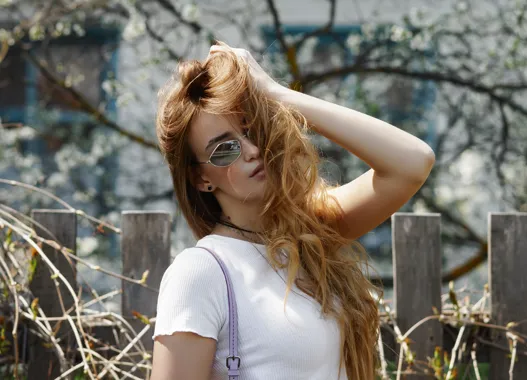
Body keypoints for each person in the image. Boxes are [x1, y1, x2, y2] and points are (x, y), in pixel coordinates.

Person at [150, 41, 435, 380]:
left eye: (253, 129)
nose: (252, 150)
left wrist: (276, 93)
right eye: (225, 149)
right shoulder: (200, 273)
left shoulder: (310, 236)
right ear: (201, 178)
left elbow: (414, 163)